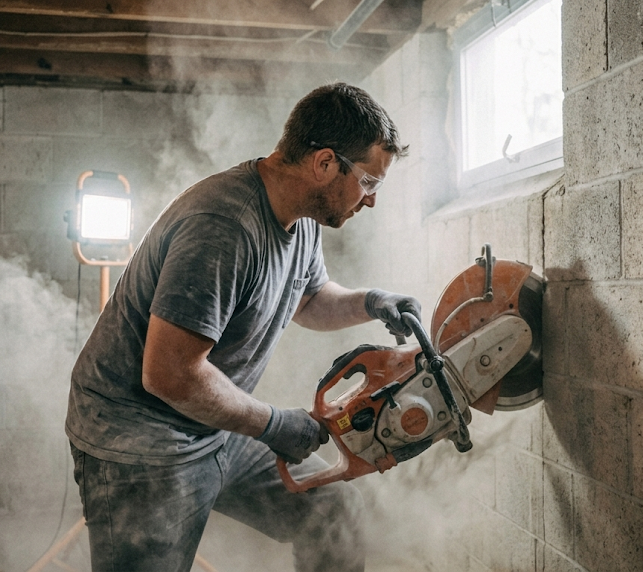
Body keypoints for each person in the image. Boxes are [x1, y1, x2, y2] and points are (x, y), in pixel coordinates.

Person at [65, 82, 420, 572]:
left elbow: (310, 298)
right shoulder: (224, 226)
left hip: (210, 429)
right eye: (369, 182)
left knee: (332, 510)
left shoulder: (303, 216)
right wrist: (275, 424)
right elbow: (170, 374)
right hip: (140, 443)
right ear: (324, 164)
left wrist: (373, 302)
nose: (371, 200)